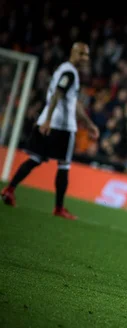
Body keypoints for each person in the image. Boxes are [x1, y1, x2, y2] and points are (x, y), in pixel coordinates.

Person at [1, 42, 99, 218]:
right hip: (61, 126)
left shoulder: (63, 69)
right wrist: (48, 121)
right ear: (73, 53)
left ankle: (9, 189)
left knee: (35, 158)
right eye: (82, 54)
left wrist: (88, 124)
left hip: (48, 120)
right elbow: (57, 95)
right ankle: (59, 208)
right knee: (64, 165)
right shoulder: (69, 72)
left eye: (87, 55)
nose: (85, 59)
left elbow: (71, 102)